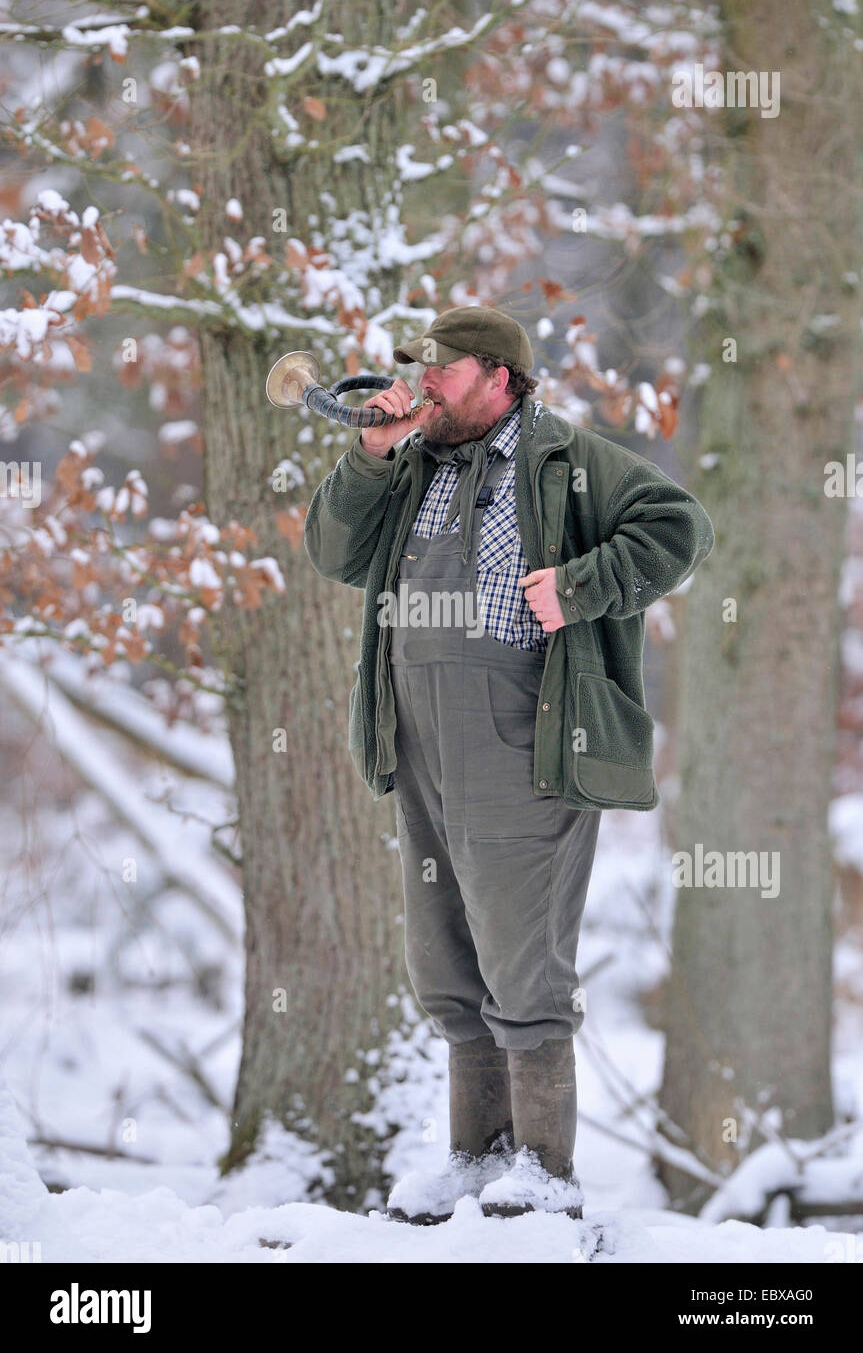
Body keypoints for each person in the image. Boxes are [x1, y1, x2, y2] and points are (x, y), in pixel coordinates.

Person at [304, 306, 714, 1223]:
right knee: (445, 953)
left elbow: (678, 527)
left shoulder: (568, 460)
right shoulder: (409, 464)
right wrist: (367, 455)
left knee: (521, 957)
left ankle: (544, 1172)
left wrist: (577, 588)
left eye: (440, 374)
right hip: (417, 735)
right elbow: (331, 552)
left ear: (498, 377)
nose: (423, 389)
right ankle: (472, 1160)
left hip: (528, 735)